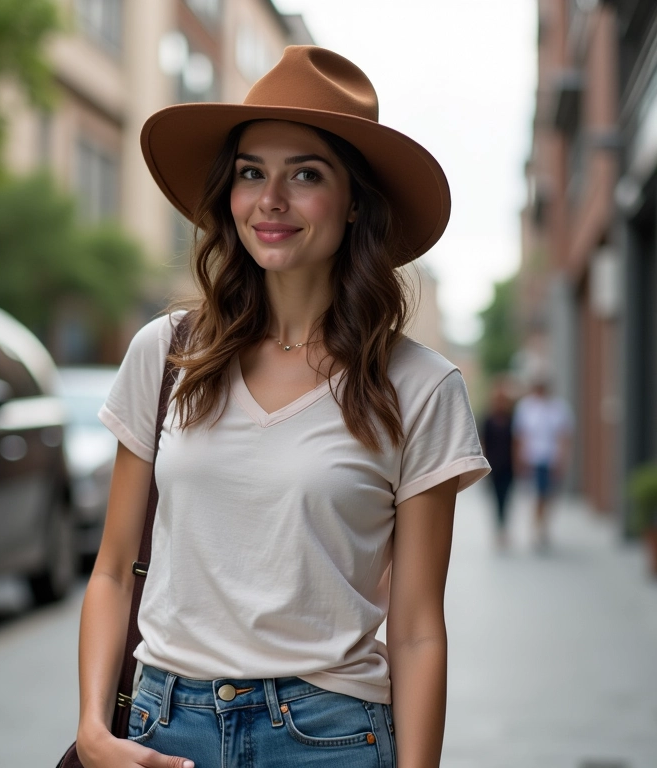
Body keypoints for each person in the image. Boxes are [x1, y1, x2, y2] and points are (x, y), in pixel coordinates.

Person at [74, 46, 490, 768]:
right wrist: (92, 730)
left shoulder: (419, 387)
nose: (271, 199)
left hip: (328, 735)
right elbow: (112, 569)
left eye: (305, 173)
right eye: (250, 172)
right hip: (161, 728)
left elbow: (419, 626)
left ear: (355, 198)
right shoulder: (166, 353)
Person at [513, 377, 573, 550]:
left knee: (549, 495)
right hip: (533, 458)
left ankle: (542, 525)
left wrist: (562, 459)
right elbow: (521, 435)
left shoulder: (558, 407)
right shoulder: (526, 407)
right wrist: (519, 459)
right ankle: (538, 529)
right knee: (539, 494)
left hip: (552, 457)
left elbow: (564, 435)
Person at [480, 380, 515, 549]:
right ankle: (499, 529)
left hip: (509, 466)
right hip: (494, 466)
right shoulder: (488, 420)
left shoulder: (511, 419)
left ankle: (504, 528)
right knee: (496, 499)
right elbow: (484, 442)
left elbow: (516, 442)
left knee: (506, 497)